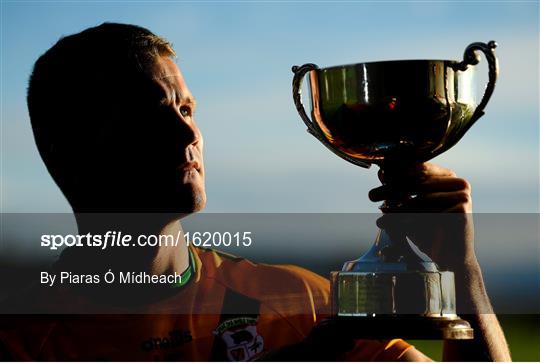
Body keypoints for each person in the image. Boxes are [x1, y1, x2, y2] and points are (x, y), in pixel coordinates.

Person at [0, 23, 510, 361]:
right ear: (67, 146)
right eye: (151, 115)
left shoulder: (302, 307)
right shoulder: (24, 341)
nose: (189, 136)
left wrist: (460, 270)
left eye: (187, 110)